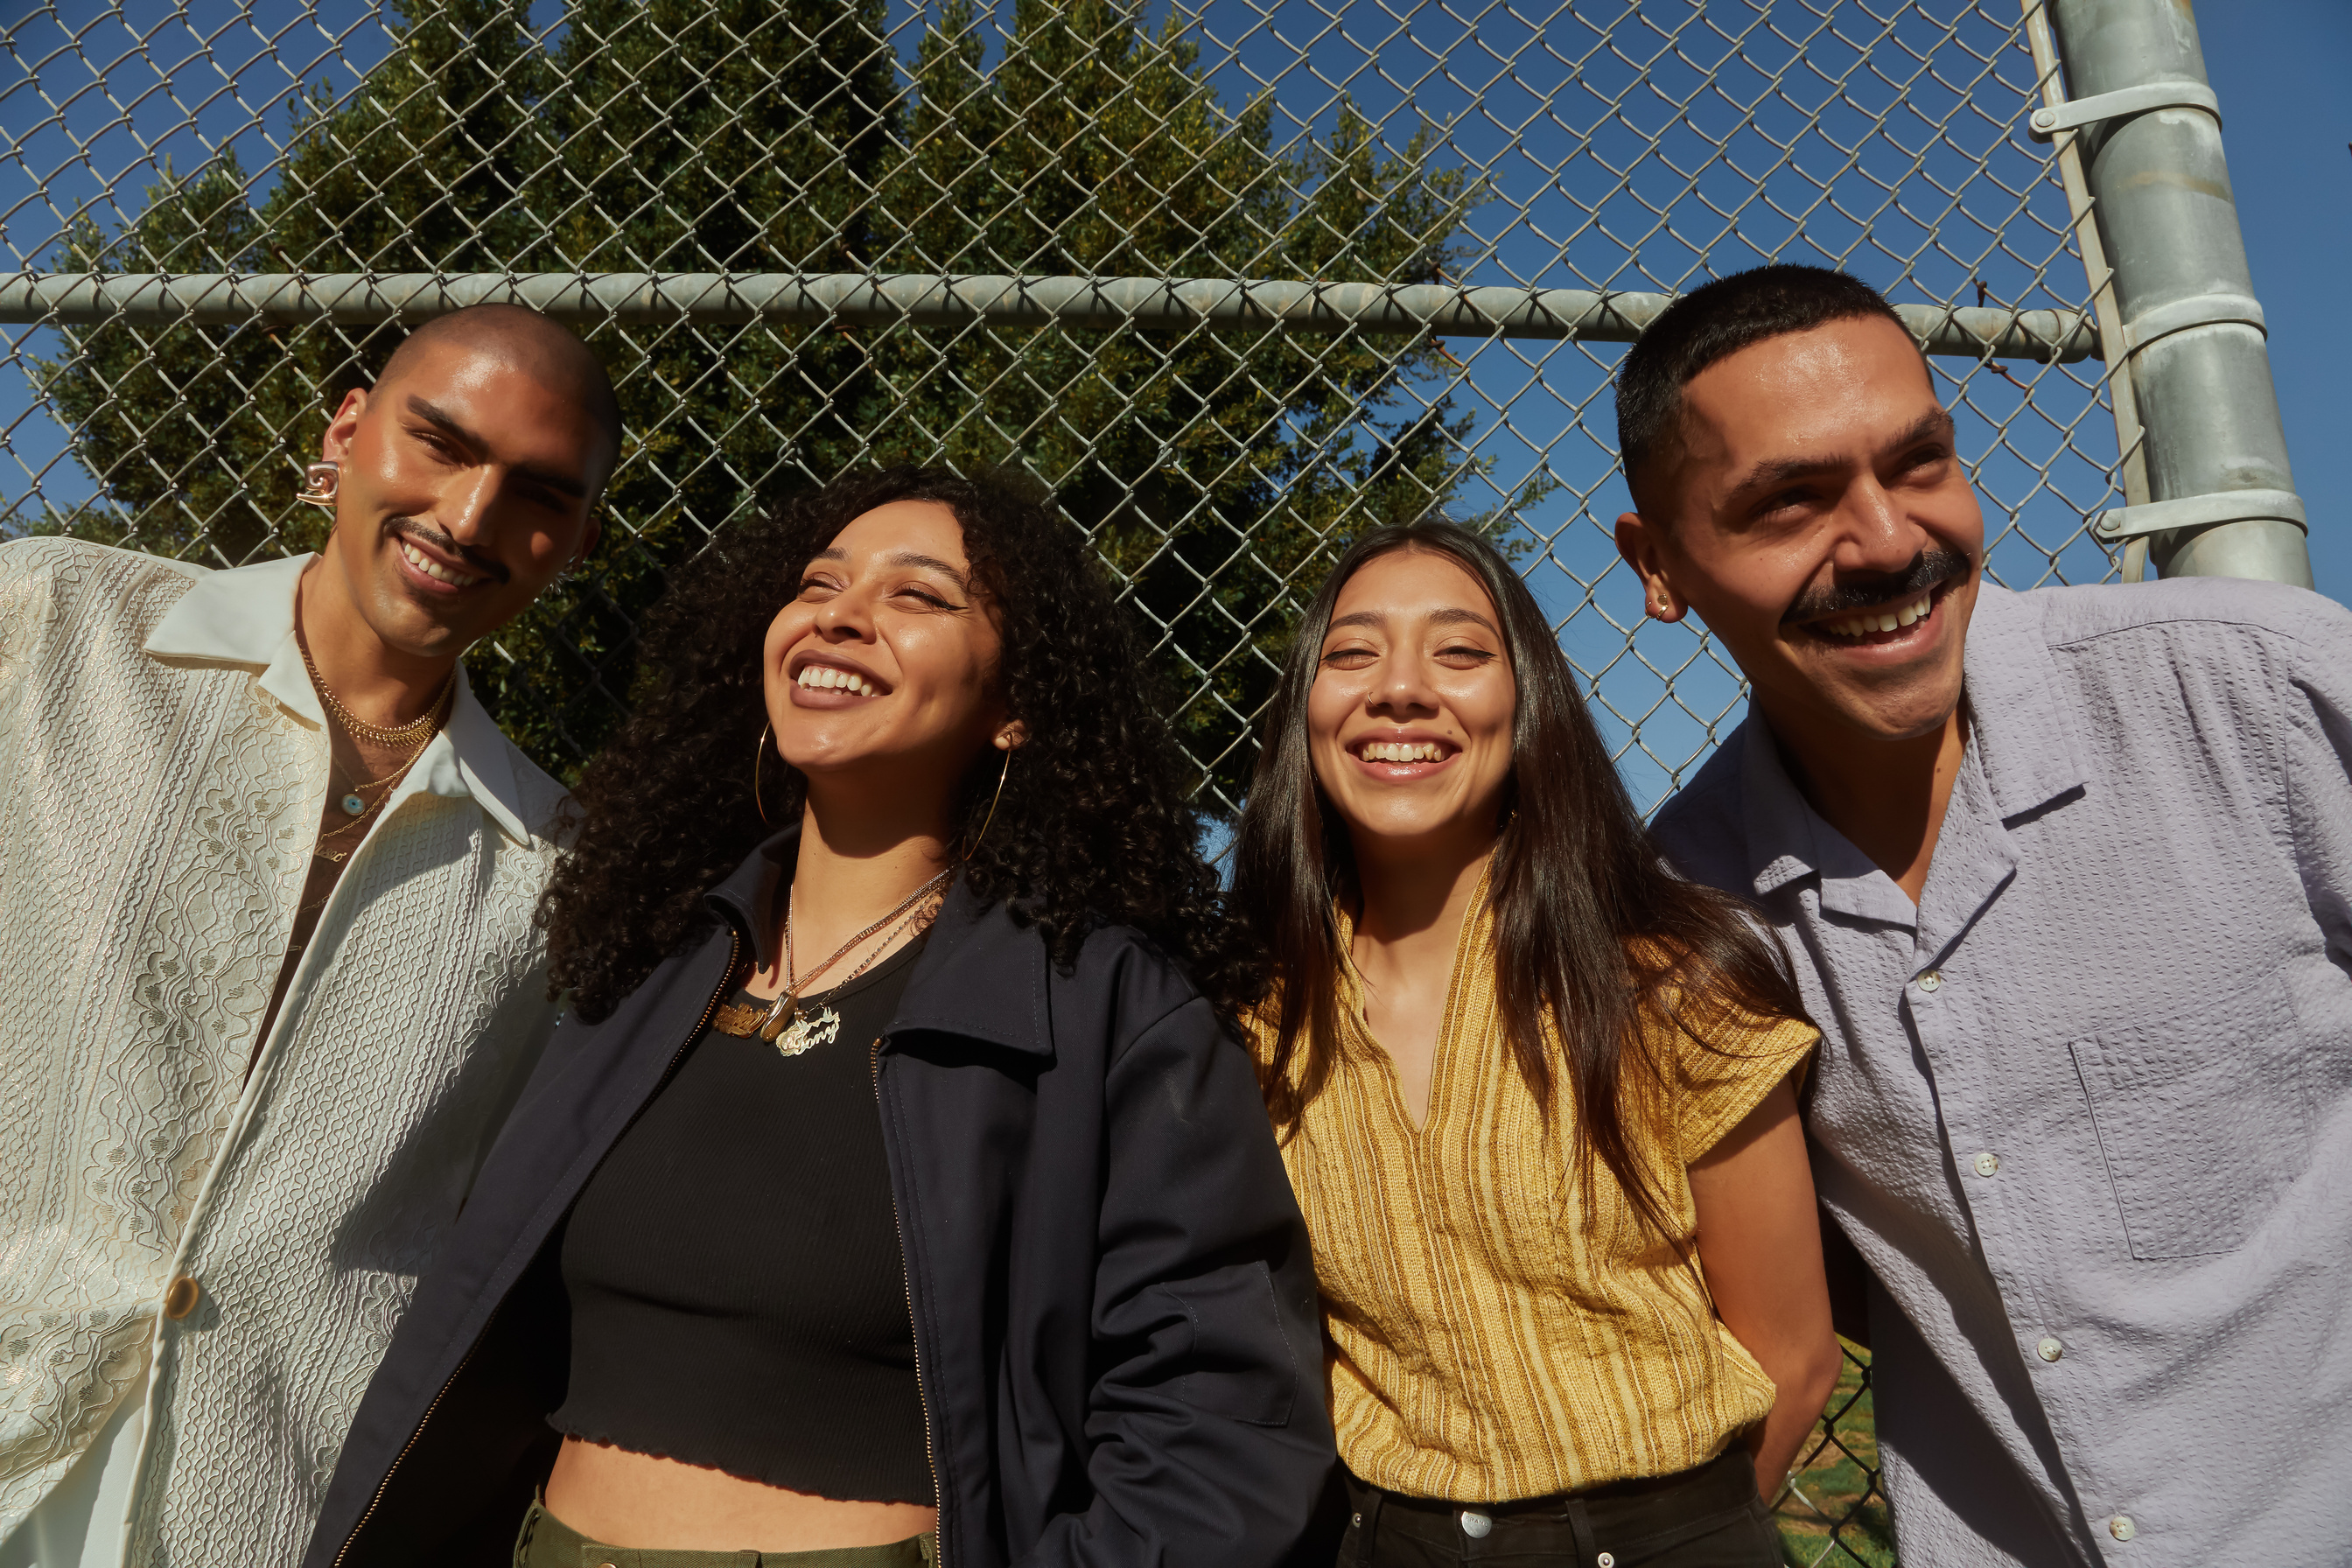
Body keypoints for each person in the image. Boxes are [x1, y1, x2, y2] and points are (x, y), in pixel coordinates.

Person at [300, 466, 1334, 1568]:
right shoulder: (648, 963)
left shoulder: (1109, 1005)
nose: (840, 613)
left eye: (919, 597)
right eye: (819, 583)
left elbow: (1220, 1421)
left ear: (1016, 711)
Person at [1620, 264, 2352, 1564]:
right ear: (1659, 567)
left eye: (1919, 463)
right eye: (1791, 501)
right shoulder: (1683, 913)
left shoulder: (2265, 695)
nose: (1891, 540)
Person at [0, 304, 620, 1566]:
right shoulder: (54, 626)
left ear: (577, 541)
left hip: (264, 1509)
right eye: (439, 443)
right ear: (345, 431)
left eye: (538, 494)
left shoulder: (561, 874)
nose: (468, 517)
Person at [1231, 521, 1840, 1567]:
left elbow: (1794, 1356)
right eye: (1352, 652)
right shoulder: (1248, 1017)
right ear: (1308, 710)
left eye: (1460, 652)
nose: (1401, 688)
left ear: (1529, 704)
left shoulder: (1669, 981)